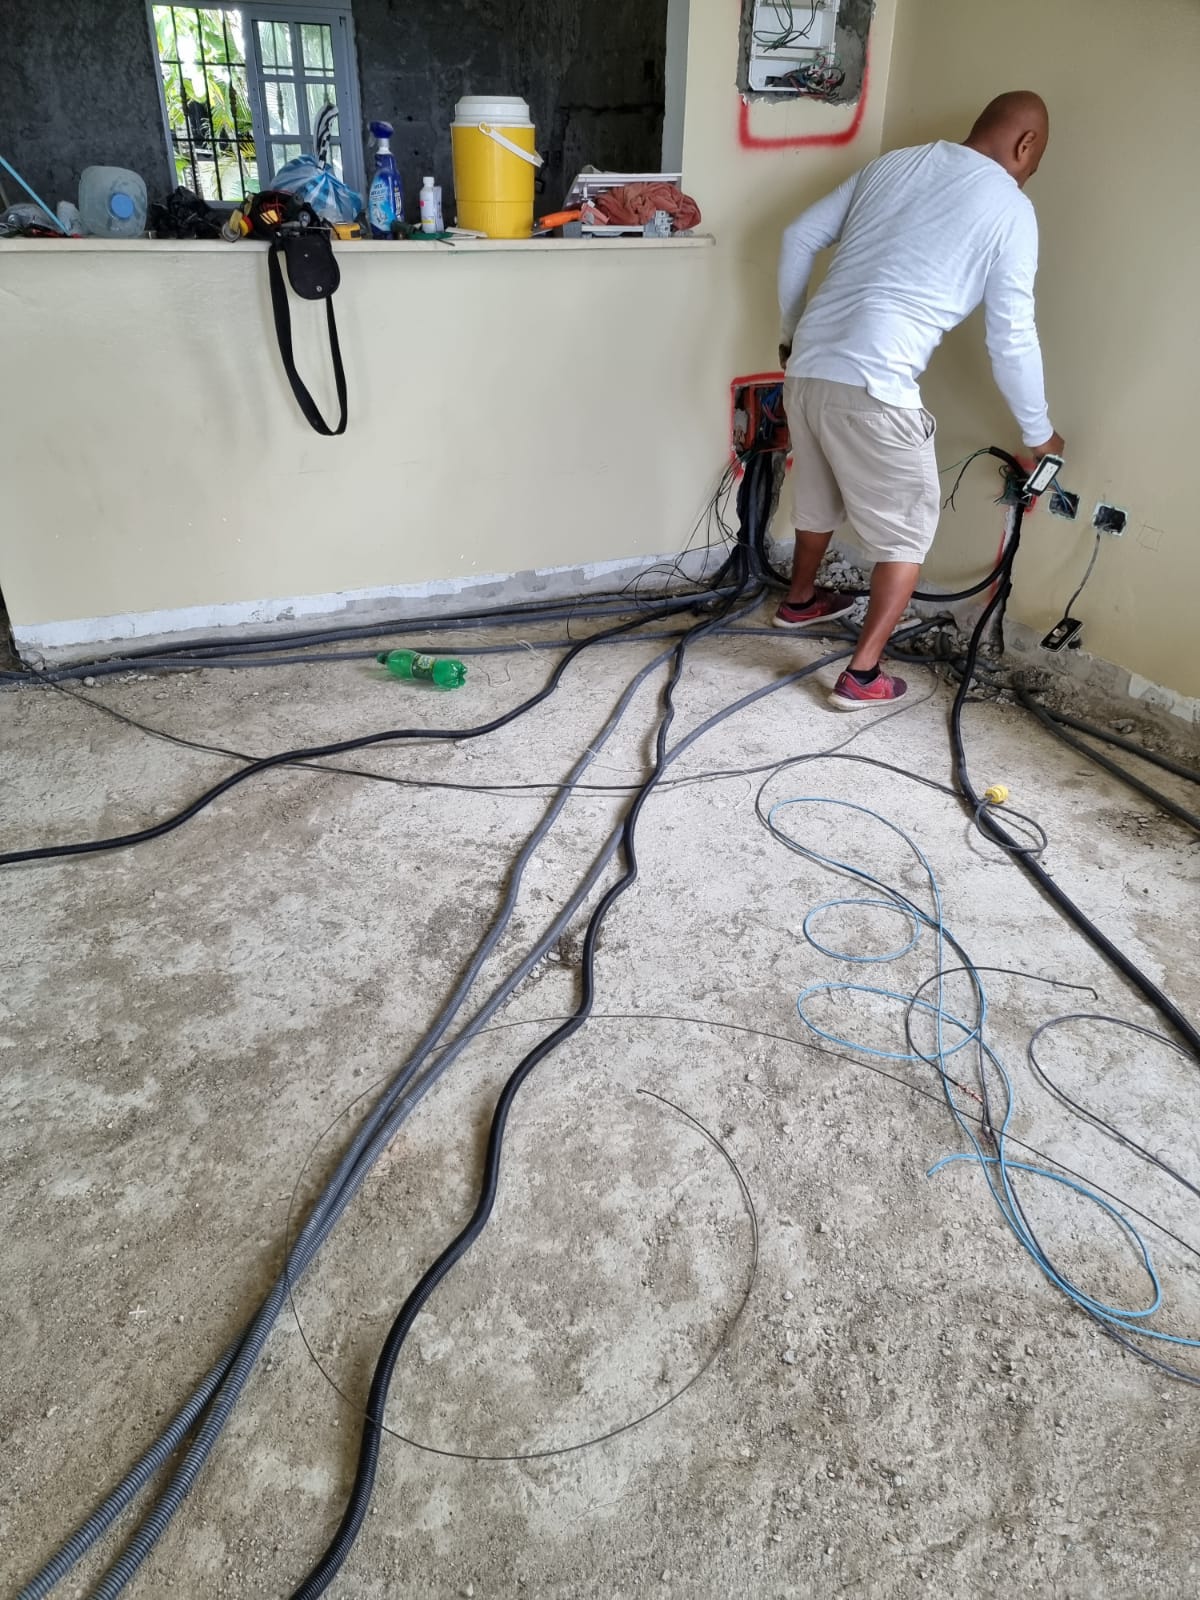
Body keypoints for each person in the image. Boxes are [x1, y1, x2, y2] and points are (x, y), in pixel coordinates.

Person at [775, 90, 1065, 709]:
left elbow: (799, 235)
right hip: (877, 383)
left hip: (809, 366)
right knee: (906, 535)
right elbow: (1012, 336)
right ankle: (862, 676)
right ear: (1026, 145)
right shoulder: (1011, 209)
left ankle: (799, 601)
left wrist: (791, 334)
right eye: (1036, 162)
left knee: (817, 497)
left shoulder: (894, 163)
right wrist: (1039, 432)